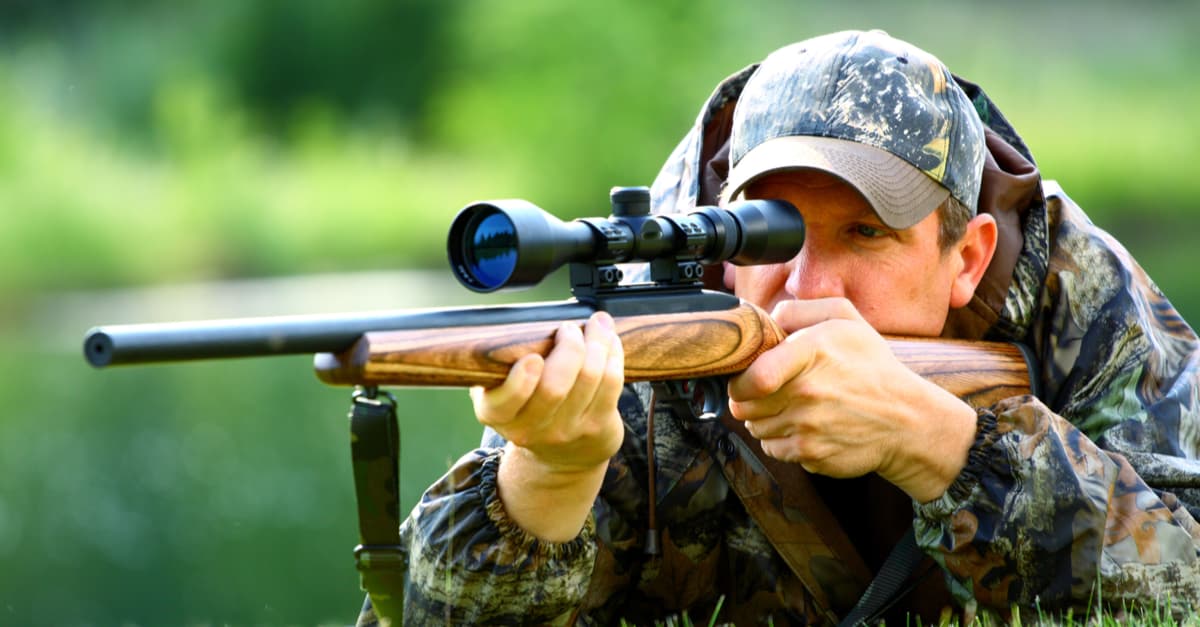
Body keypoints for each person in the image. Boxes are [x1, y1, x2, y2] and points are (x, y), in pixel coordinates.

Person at [356, 29, 1200, 625]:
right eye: (770, 234)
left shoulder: (1076, 302)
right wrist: (548, 477)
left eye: (864, 232)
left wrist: (939, 444)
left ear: (969, 257)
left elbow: (1184, 588)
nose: (808, 286)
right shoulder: (658, 330)